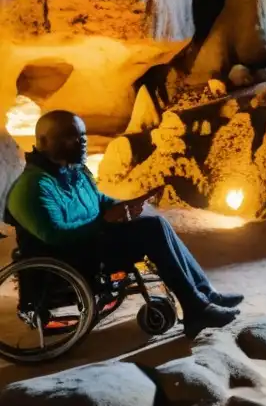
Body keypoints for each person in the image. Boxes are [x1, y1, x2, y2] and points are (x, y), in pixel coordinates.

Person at [4, 111, 244, 339]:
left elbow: (100, 201)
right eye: (71, 136)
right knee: (151, 230)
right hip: (74, 258)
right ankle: (196, 311)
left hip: (91, 243)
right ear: (44, 141)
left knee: (155, 221)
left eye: (83, 135)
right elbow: (54, 236)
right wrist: (104, 222)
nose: (82, 142)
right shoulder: (34, 187)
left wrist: (126, 206)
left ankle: (204, 294)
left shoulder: (74, 172)